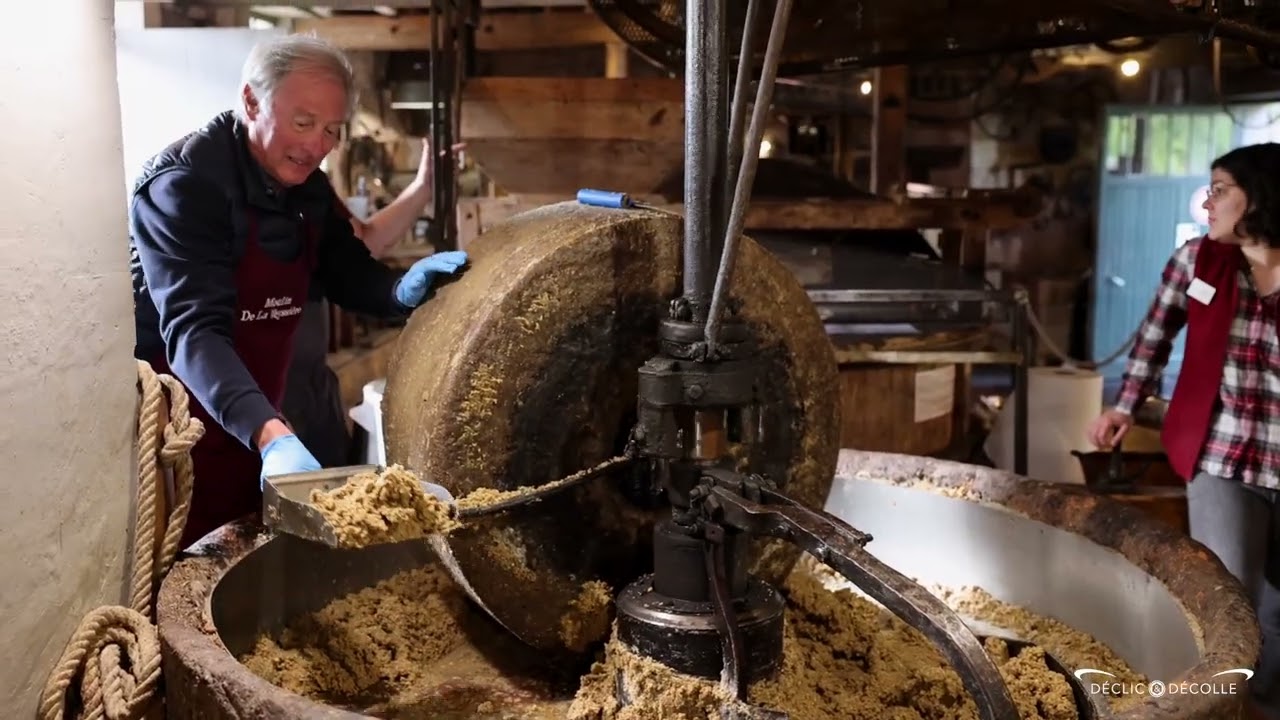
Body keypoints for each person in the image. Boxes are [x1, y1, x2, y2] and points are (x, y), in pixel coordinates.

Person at [128, 33, 468, 548]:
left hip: (260, 416)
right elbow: (194, 333)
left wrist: (399, 291)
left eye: (332, 130)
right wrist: (272, 434)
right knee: (185, 569)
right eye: (303, 122)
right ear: (250, 101)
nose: (316, 145)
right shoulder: (184, 186)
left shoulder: (304, 187)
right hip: (180, 432)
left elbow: (346, 269)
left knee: (250, 553)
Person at [1086, 142, 1280, 717]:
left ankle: (1262, 703)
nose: (1207, 203)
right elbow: (1154, 334)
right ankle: (1227, 707)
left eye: (1220, 189)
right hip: (1220, 456)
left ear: (1260, 196)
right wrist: (1124, 406)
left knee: (1279, 603)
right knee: (1227, 594)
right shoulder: (1197, 261)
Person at [282, 138, 460, 468]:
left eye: (333, 128)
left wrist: (423, 189)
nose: (324, 142)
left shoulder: (311, 185)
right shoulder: (199, 180)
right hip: (242, 400)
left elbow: (360, 243)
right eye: (305, 125)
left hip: (308, 392)